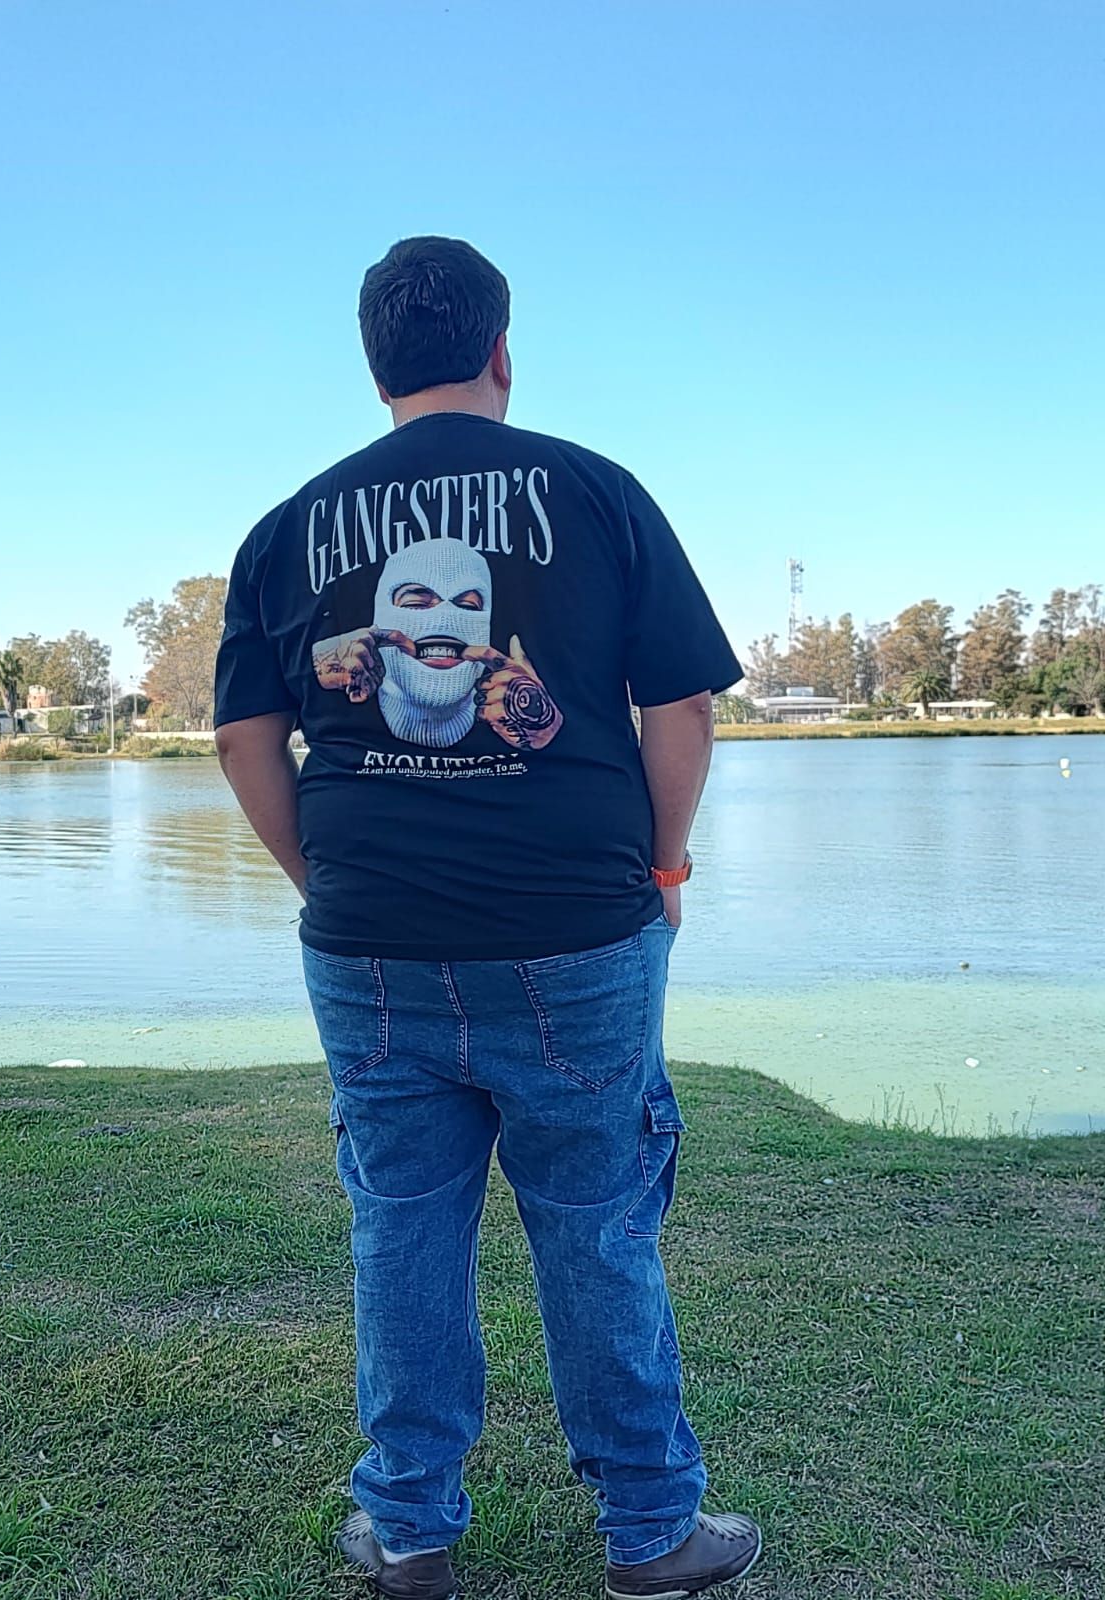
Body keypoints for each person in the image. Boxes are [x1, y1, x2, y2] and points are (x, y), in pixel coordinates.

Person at [214, 236, 761, 1600]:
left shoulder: (287, 528)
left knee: (401, 1225)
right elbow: (682, 709)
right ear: (503, 352)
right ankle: (651, 1533)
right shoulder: (597, 491)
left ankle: (408, 1528)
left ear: (374, 366)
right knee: (596, 1224)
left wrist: (323, 884)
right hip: (577, 932)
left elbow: (243, 741)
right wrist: (665, 872)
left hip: (369, 946)